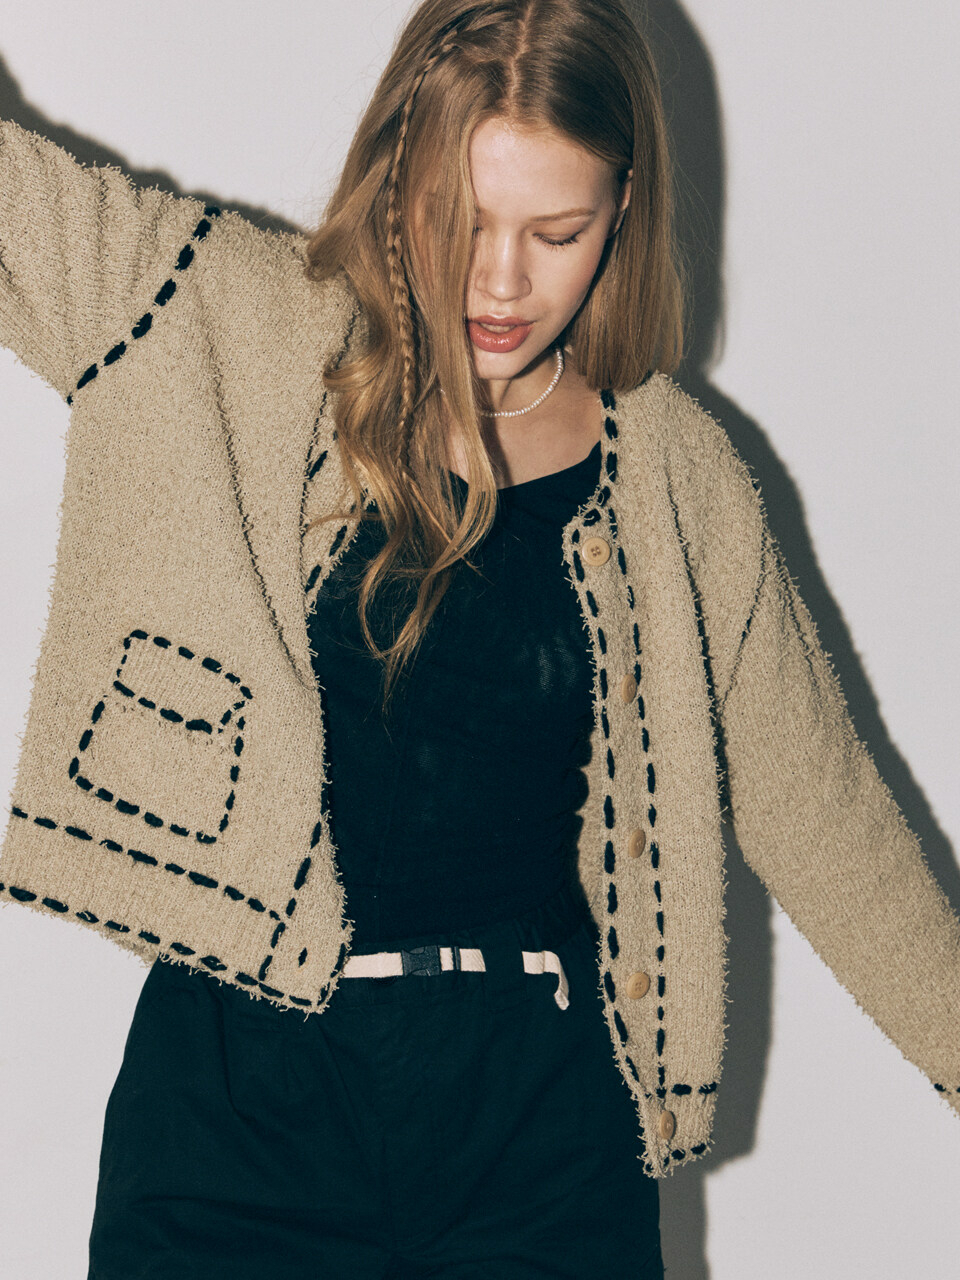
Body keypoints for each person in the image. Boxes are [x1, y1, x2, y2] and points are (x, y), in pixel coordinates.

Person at [0, 0, 957, 1276]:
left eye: (557, 232)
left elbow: (825, 811)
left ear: (624, 209)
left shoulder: (679, 480)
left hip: (540, 1127)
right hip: (239, 1102)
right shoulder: (219, 314)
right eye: (461, 220)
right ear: (395, 180)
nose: (501, 282)